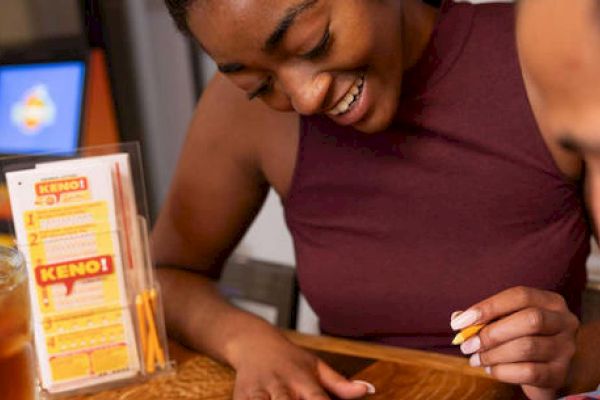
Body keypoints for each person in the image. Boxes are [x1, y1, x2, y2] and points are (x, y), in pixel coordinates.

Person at [152, 0, 600, 398]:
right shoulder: (244, 117)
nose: (305, 99)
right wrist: (246, 340)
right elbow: (164, 276)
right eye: (260, 84)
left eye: (314, 43)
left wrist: (572, 360)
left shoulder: (552, 58)